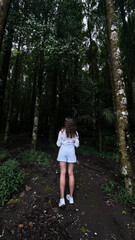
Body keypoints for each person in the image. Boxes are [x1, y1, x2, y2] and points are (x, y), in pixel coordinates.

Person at [56, 118, 79, 207]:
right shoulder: (75, 133)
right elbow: (77, 145)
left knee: (62, 173)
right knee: (71, 174)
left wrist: (63, 141)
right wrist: (73, 140)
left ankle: (62, 200)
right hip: (71, 151)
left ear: (65, 124)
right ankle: (71, 198)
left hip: (63, 151)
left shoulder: (61, 132)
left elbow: (58, 144)